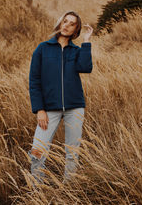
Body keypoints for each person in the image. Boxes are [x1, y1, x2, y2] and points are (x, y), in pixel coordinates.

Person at [28, 10, 93, 184]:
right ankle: (37, 191)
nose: (67, 25)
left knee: (72, 153)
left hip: (75, 107)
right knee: (37, 151)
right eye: (65, 21)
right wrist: (39, 109)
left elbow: (86, 68)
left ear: (75, 30)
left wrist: (86, 41)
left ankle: (69, 191)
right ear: (59, 23)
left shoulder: (76, 50)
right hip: (48, 109)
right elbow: (34, 80)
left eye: (72, 24)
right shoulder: (43, 48)